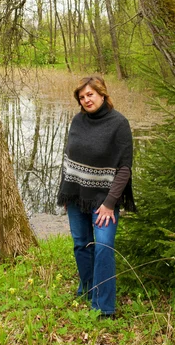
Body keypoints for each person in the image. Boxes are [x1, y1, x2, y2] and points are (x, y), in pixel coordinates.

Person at [57, 75, 134, 317]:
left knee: (103, 246)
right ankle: (88, 288)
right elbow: (69, 160)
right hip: (76, 195)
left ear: (102, 94)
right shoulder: (77, 121)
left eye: (90, 94)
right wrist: (66, 192)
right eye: (81, 97)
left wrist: (111, 204)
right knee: (81, 245)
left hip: (104, 200)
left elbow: (124, 168)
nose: (86, 100)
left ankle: (104, 307)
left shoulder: (119, 124)